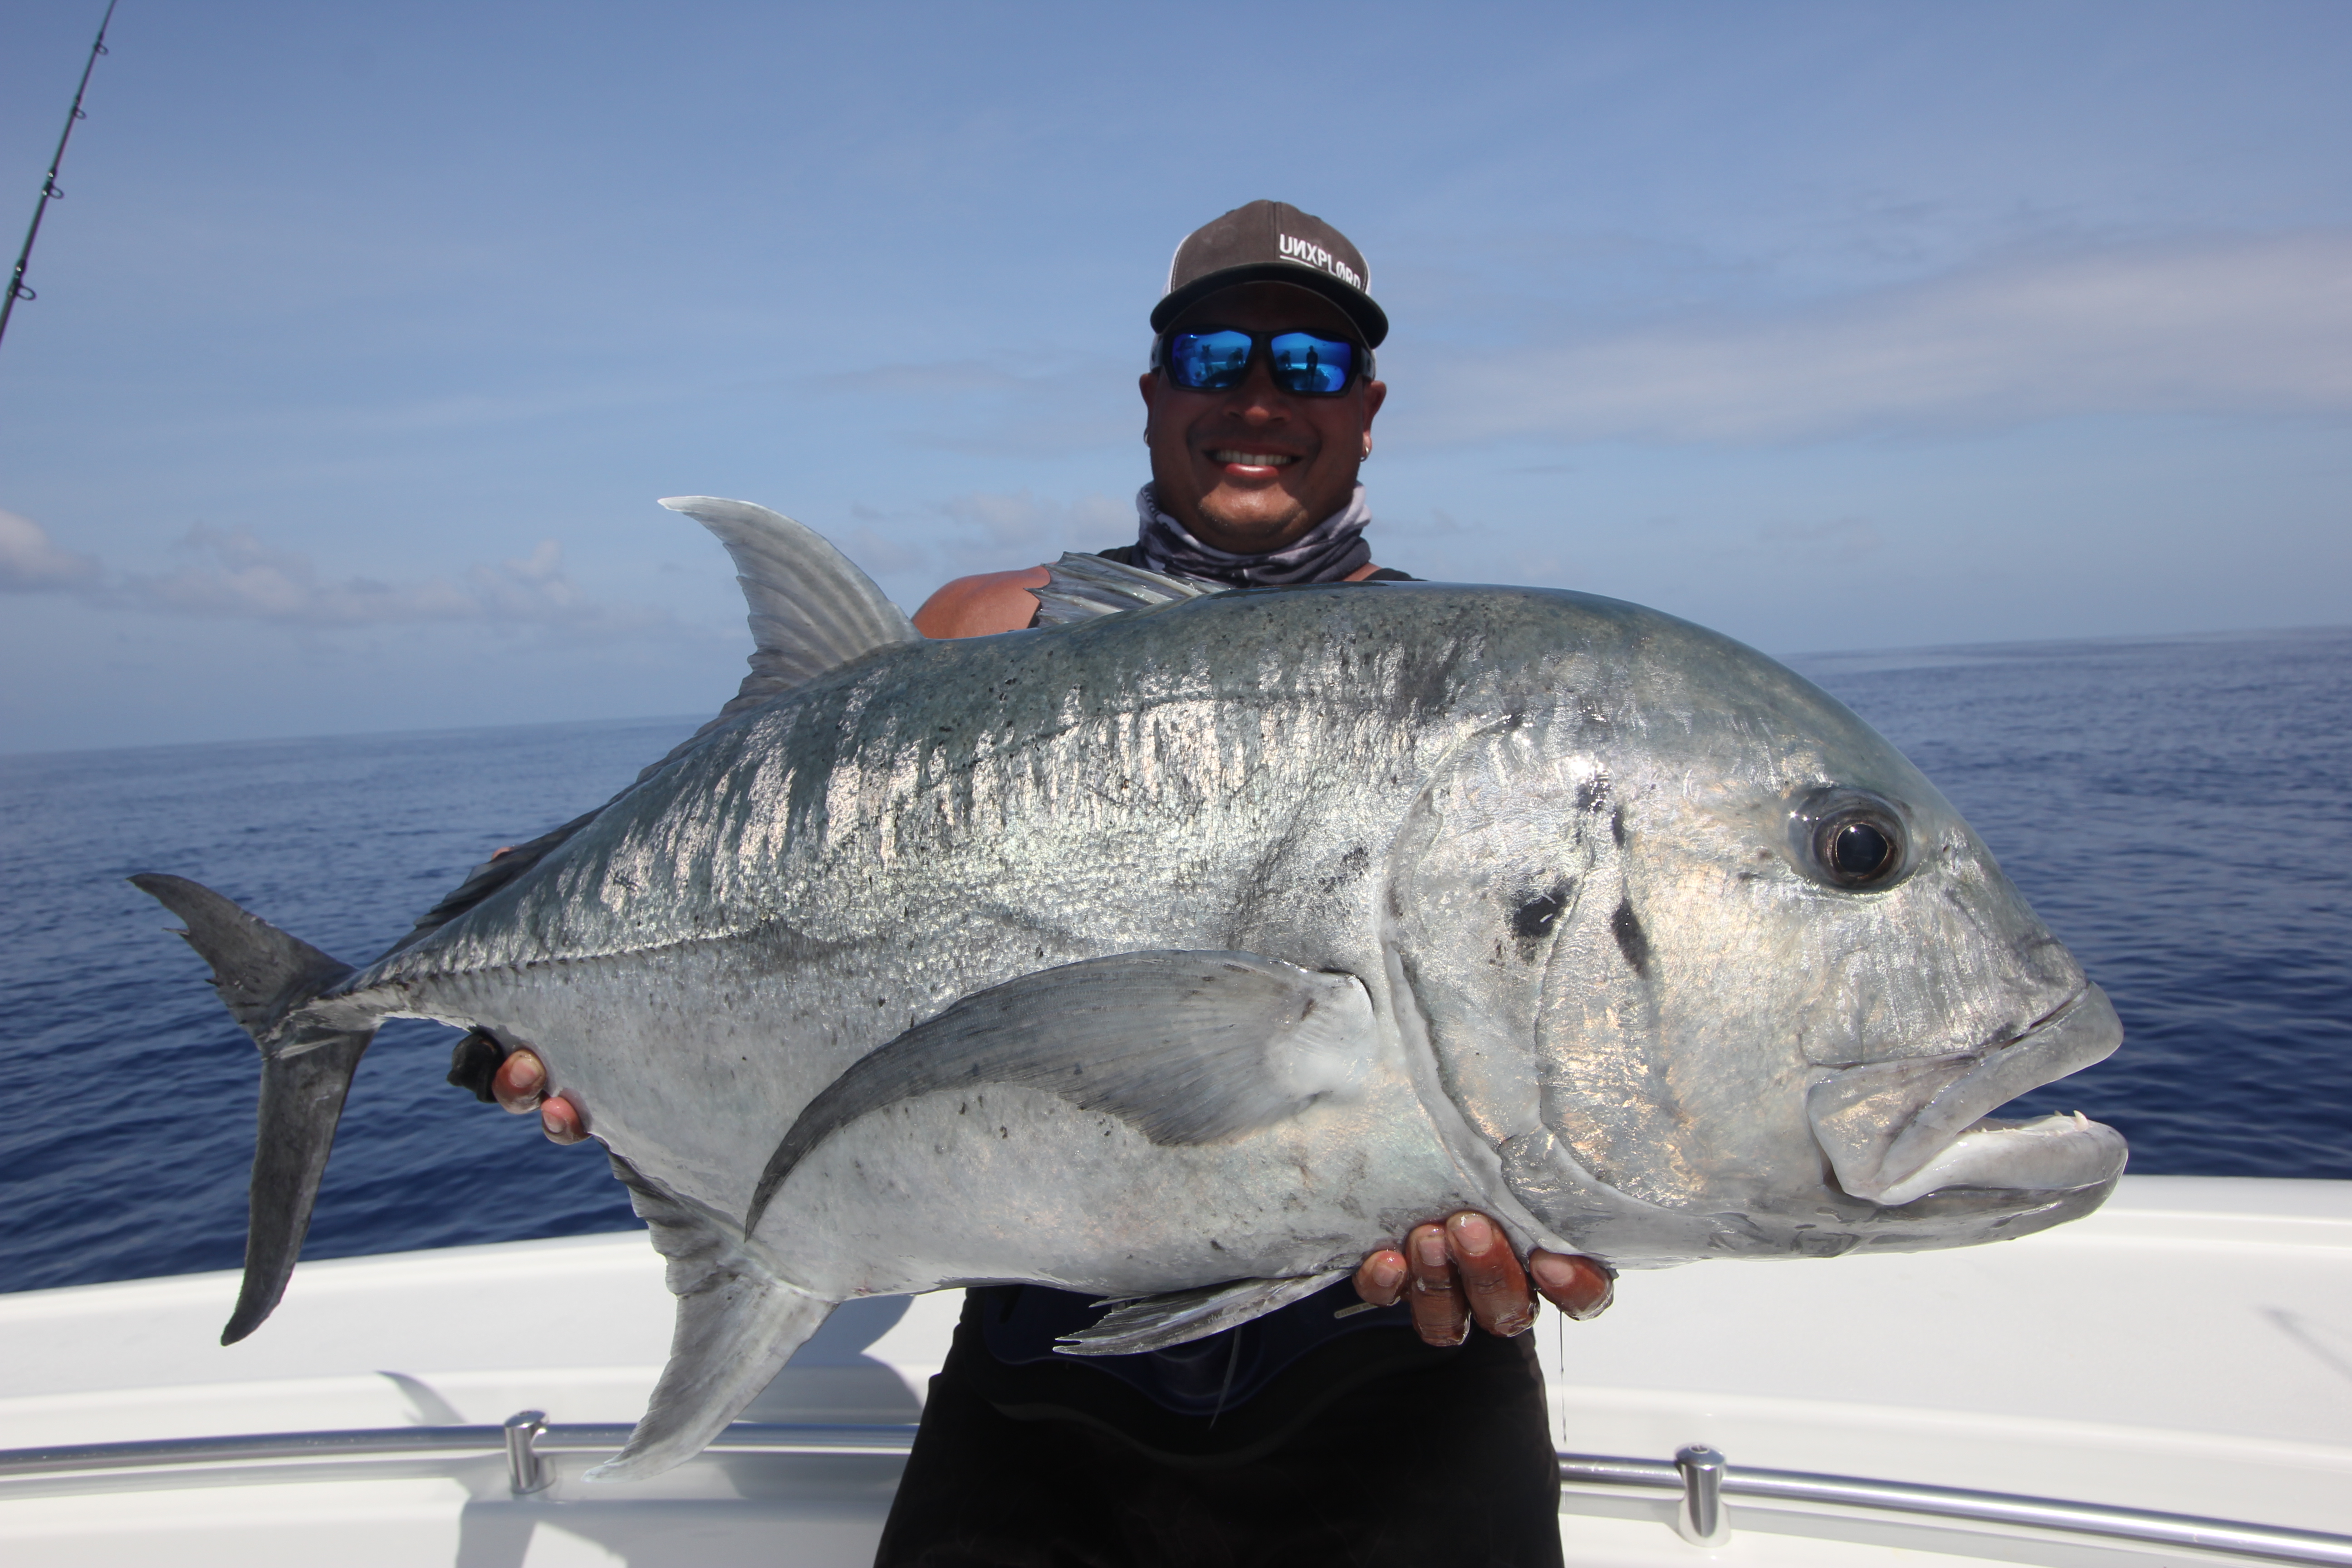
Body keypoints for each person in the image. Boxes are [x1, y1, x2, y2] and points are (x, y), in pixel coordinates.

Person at [475, 201, 1612, 1566]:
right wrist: (563, 995)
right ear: (1151, 394)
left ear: (1367, 409)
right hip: (1047, 1378)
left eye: (1307, 367)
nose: (1258, 399)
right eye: (1213, 357)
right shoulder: (980, 635)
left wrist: (1571, 1203)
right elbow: (784, 895)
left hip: (1404, 1388)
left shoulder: (1476, 702)